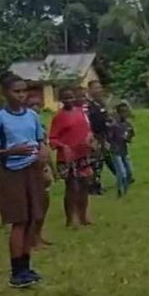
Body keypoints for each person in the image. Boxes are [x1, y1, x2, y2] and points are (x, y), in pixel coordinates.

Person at [0, 74, 51, 288]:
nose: (21, 95)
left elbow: (40, 139)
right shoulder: (0, 118)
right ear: (6, 93)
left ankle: (26, 266)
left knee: (33, 217)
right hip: (11, 171)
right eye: (16, 91)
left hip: (33, 168)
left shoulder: (32, 115)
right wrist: (10, 151)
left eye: (24, 91)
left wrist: (43, 152)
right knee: (19, 220)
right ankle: (16, 270)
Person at [49, 85, 94, 227]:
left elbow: (87, 129)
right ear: (60, 100)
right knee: (72, 188)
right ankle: (70, 219)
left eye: (71, 97)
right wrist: (63, 147)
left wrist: (90, 138)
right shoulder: (59, 117)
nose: (69, 100)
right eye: (66, 98)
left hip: (83, 154)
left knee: (84, 186)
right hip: (67, 158)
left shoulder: (81, 112)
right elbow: (52, 139)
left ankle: (83, 217)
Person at [85, 80, 112, 196]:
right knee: (94, 162)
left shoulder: (100, 104)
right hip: (93, 137)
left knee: (100, 162)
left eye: (100, 88)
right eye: (96, 88)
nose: (99, 90)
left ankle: (96, 184)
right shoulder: (88, 106)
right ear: (90, 90)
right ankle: (92, 186)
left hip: (102, 136)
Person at [106, 102, 135, 198]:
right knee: (122, 173)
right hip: (115, 151)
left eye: (126, 112)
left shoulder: (128, 125)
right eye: (122, 112)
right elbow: (109, 138)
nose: (124, 114)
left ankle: (125, 191)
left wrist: (128, 138)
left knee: (129, 172)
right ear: (118, 113)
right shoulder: (114, 125)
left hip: (124, 150)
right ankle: (120, 190)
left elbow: (130, 136)